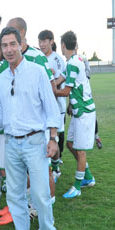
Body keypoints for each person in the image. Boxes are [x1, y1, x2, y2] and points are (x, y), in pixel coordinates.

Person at [0, 27, 59, 230]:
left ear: (21, 44)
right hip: (12, 144)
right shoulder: (3, 77)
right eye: (4, 45)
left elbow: (51, 108)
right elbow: (3, 110)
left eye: (12, 44)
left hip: (35, 142)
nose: (8, 49)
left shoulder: (37, 72)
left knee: (40, 194)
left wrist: (53, 138)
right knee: (14, 195)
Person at [55, 31, 96, 198]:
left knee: (80, 150)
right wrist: (49, 80)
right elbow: (62, 78)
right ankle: (87, 176)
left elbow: (64, 91)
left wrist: (51, 90)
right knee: (71, 144)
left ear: (63, 45)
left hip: (85, 112)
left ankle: (78, 186)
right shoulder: (73, 61)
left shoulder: (73, 62)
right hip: (78, 112)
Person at [38, 30, 66, 182]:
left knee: (54, 137)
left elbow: (62, 77)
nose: (41, 44)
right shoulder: (38, 57)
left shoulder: (57, 58)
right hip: (42, 107)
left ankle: (55, 167)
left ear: (51, 42)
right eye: (40, 41)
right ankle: (52, 166)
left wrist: (51, 80)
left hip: (57, 105)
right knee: (46, 137)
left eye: (44, 41)